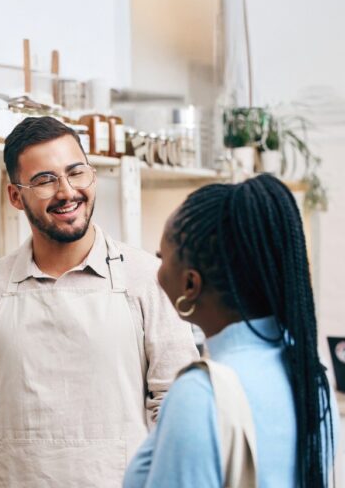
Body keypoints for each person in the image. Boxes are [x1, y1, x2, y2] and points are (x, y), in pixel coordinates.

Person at [0, 117, 198, 488]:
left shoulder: (147, 278)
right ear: (15, 196)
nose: (66, 192)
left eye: (76, 173)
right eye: (45, 180)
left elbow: (176, 407)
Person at [124, 174, 337, 488]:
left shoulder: (200, 393)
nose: (157, 272)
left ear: (190, 285)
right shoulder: (310, 372)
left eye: (162, 258)